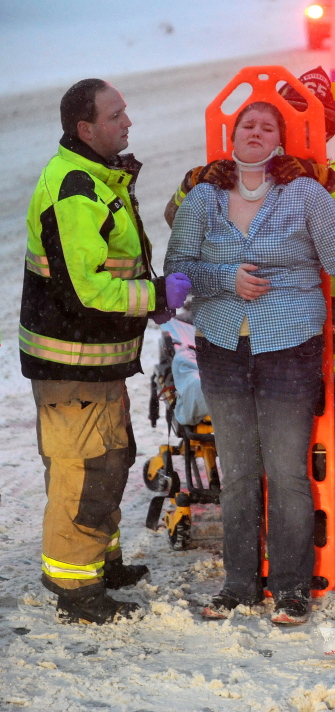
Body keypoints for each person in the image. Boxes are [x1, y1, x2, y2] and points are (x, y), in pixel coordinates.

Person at [164, 101, 335, 624]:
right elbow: (176, 271)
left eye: (268, 127)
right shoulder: (203, 198)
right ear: (232, 137)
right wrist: (224, 281)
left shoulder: (306, 194)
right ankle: (238, 584)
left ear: (280, 141)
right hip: (221, 345)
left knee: (286, 471)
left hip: (289, 345)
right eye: (248, 125)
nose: (256, 132)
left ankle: (290, 587)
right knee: (238, 472)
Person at [20, 78, 189, 625]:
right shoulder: (74, 187)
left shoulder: (100, 175)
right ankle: (75, 589)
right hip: (70, 362)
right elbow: (86, 289)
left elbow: (114, 265)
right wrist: (155, 296)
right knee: (82, 470)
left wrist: (150, 299)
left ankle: (101, 562)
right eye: (116, 115)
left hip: (95, 359)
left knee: (110, 459)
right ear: (84, 128)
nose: (129, 122)